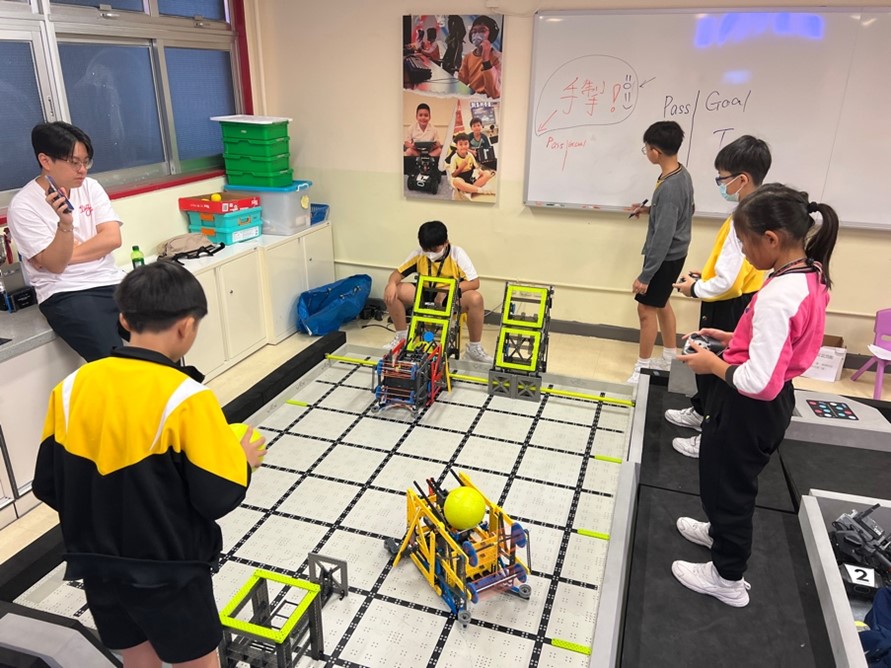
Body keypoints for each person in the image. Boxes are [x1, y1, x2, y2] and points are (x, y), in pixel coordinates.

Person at [32, 261, 267, 666]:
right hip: (170, 573)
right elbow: (216, 496)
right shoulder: (187, 398)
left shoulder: (70, 387)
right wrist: (242, 461)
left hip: (98, 568)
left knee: (137, 658)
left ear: (123, 319)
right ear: (187, 327)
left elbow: (48, 485)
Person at [672, 184, 839, 607]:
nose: (744, 253)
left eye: (745, 243)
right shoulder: (809, 272)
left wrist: (713, 365)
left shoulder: (779, 295)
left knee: (729, 489)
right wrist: (735, 338)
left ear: (771, 239)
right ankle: (718, 533)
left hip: (749, 407)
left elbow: (759, 382)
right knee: (727, 481)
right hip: (771, 403)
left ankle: (726, 577)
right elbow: (785, 342)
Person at [665, 135, 771, 457]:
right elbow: (731, 271)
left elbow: (729, 282)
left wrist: (695, 288)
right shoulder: (752, 210)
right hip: (732, 300)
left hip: (731, 304)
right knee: (710, 360)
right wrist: (705, 277)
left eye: (723, 178)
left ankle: (711, 433)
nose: (721, 184)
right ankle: (701, 411)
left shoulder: (747, 218)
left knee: (717, 365)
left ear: (742, 179)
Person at [7, 121, 125, 362]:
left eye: (86, 162)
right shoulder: (23, 205)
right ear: (45, 160)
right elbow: (55, 267)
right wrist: (65, 225)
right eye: (74, 162)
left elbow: (112, 238)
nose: (82, 170)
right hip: (66, 292)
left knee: (164, 338)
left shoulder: (90, 187)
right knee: (113, 361)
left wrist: (60, 255)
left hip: (111, 280)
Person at [627, 121, 694, 384]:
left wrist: (645, 276)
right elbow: (683, 211)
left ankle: (642, 368)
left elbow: (663, 236)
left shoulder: (669, 186)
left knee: (646, 309)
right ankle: (669, 356)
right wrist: (649, 210)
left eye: (646, 148)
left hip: (666, 255)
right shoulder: (681, 174)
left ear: (655, 151)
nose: (647, 152)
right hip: (676, 252)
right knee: (662, 302)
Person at [383, 220, 493, 364]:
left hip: (449, 296)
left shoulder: (457, 253)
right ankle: (402, 338)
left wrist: (447, 290)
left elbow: (474, 282)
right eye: (426, 249)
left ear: (446, 242)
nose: (430, 254)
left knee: (476, 299)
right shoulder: (419, 253)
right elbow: (397, 273)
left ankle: (474, 348)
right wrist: (391, 283)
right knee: (392, 291)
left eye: (434, 250)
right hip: (424, 293)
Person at [457, 15, 502, 99]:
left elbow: (495, 93)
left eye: (482, 31)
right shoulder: (468, 57)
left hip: (490, 101)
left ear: (491, 34)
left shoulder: (498, 58)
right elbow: (461, 82)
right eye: (474, 31)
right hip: (472, 98)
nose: (477, 34)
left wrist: (486, 60)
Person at [448, 132, 495, 198]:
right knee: (456, 181)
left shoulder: (470, 155)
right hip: (461, 179)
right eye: (460, 144)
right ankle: (480, 190)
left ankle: (469, 190)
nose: (463, 147)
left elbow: (476, 167)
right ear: (456, 146)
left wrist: (480, 171)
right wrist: (461, 167)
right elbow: (453, 175)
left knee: (487, 173)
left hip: (470, 178)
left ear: (468, 145)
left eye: (466, 144)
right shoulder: (454, 158)